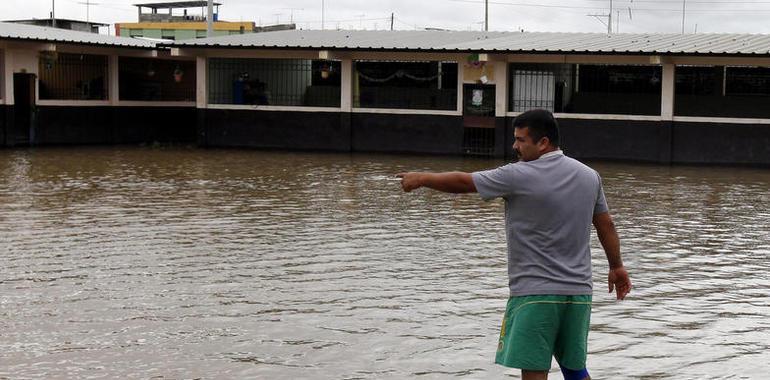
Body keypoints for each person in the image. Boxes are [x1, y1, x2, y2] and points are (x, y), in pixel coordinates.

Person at [397, 109, 631, 380]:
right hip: (578, 294)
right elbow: (606, 225)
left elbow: (464, 182)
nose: (515, 146)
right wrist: (617, 267)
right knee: (574, 368)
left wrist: (421, 178)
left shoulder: (518, 175)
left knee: (534, 370)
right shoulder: (589, 176)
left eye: (521, 140)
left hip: (535, 294)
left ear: (543, 143)